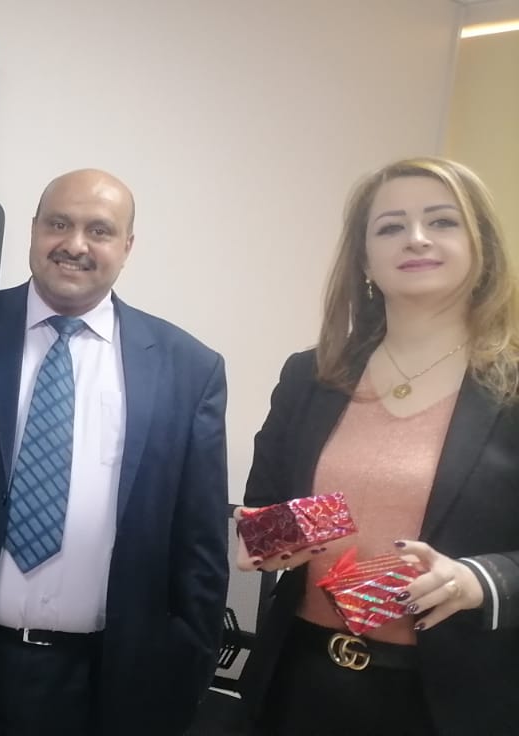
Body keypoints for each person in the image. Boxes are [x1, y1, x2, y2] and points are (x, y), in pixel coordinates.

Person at [0, 169, 230, 734]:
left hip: (103, 688)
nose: (74, 244)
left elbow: (201, 551)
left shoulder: (188, 369)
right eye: (58, 224)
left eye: (100, 230)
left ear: (128, 246)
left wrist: (183, 682)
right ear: (34, 229)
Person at [237, 157, 519, 734]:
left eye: (442, 221)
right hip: (300, 685)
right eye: (390, 226)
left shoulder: (510, 388)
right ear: (365, 259)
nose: (415, 238)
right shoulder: (310, 376)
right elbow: (261, 512)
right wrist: (266, 541)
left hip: (452, 703)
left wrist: (481, 581)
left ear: (482, 247)